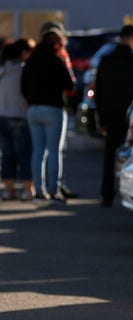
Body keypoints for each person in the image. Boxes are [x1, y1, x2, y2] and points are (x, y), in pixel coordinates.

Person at [95, 25, 133, 207]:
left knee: (110, 155)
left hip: (111, 114)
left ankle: (106, 194)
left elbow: (100, 91)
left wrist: (101, 117)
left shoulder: (106, 60)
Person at [21, 29, 75, 205]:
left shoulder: (31, 61)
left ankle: (38, 189)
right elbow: (69, 85)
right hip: (53, 109)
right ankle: (54, 189)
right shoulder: (57, 61)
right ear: (57, 44)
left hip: (33, 109)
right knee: (54, 152)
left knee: (38, 151)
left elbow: (23, 87)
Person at [0, 38, 35, 201]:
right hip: (20, 116)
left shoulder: (2, 70)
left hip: (2, 116)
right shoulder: (22, 70)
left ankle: (8, 189)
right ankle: (28, 189)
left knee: (7, 156)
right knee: (24, 155)